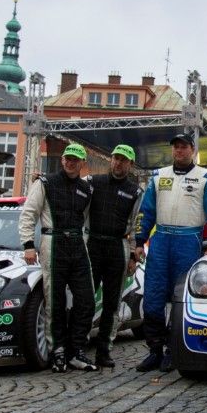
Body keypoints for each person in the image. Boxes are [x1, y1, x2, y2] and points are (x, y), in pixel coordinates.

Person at [133, 132, 207, 372]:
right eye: (176, 147)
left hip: (189, 241)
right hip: (161, 240)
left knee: (180, 300)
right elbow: (146, 211)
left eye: (184, 147)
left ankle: (172, 351)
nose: (180, 151)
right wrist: (139, 240)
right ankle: (154, 350)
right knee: (153, 300)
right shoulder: (158, 176)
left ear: (193, 150)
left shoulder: (206, 177)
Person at [19, 143, 97, 373]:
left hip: (77, 244)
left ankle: (77, 350)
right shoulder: (44, 183)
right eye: (67, 158)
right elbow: (29, 214)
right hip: (52, 243)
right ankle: (58, 351)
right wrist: (28, 245)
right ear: (62, 160)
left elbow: (87, 219)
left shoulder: (87, 189)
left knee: (87, 300)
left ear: (83, 163)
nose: (71, 162)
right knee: (55, 301)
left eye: (76, 159)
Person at [86, 144, 144, 369]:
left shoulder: (135, 191)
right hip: (93, 244)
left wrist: (132, 255)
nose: (118, 163)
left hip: (117, 246)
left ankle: (104, 351)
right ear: (110, 160)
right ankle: (78, 346)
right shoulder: (93, 182)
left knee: (112, 302)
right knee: (85, 299)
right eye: (116, 158)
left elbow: (137, 225)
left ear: (130, 165)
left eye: (123, 160)